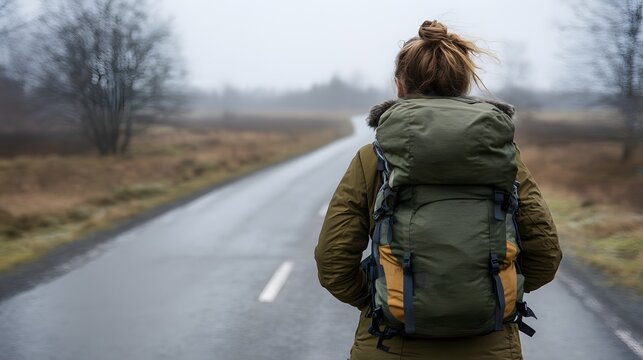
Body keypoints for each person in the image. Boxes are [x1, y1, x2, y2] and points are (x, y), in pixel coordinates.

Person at [314, 20, 562, 360]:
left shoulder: (373, 158)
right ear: (462, 86)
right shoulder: (504, 157)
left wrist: (384, 299)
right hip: (490, 346)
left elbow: (333, 262)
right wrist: (490, 296)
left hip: (391, 345)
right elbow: (545, 254)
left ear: (399, 86)